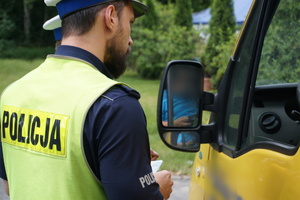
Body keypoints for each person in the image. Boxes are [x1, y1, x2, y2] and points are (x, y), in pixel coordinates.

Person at [0, 0, 173, 199]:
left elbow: (10, 187)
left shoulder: (13, 93)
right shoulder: (115, 106)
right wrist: (158, 189)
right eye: (130, 22)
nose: (130, 39)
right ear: (111, 17)